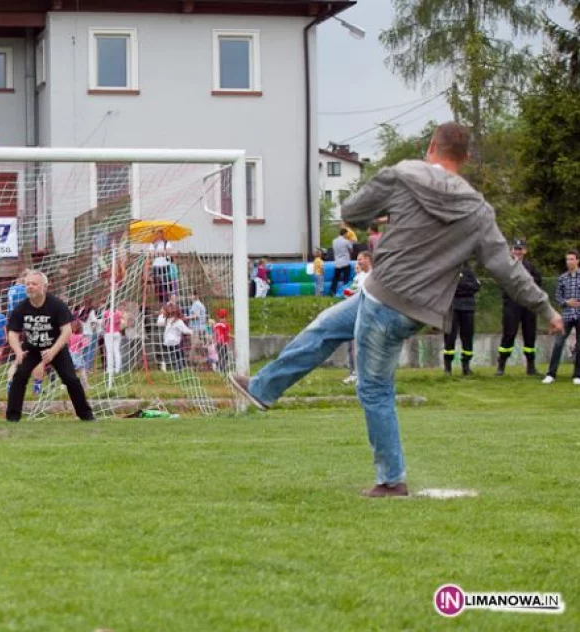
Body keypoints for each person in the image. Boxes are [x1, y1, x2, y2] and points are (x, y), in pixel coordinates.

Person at [228, 122, 562, 497]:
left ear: (430, 146)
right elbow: (506, 269)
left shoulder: (404, 175)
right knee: (324, 329)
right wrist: (546, 308)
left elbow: (353, 212)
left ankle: (391, 479)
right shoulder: (478, 212)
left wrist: (381, 214)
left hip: (385, 299)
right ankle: (264, 387)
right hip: (411, 308)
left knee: (374, 389)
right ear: (465, 158)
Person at [5, 271, 94, 422]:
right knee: (19, 377)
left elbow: (67, 331)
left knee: (71, 379)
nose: (30, 287)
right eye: (27, 284)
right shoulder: (21, 308)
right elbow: (12, 333)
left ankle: (86, 415)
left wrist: (53, 351)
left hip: (56, 348)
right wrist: (18, 351)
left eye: (34, 284)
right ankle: (12, 417)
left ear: (44, 287)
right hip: (31, 349)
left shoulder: (57, 305)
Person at [496, 239, 545, 376]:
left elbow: (538, 283)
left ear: (525, 251)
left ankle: (531, 367)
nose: (517, 252)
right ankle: (501, 366)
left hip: (528, 306)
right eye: (515, 249)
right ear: (511, 251)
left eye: (520, 249)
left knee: (530, 335)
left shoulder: (531, 267)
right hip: (512, 305)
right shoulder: (506, 266)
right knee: (509, 334)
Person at [542, 249, 580, 384]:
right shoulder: (562, 278)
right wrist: (566, 302)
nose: (569, 262)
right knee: (558, 343)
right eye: (567, 259)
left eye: (571, 259)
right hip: (567, 315)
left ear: (577, 260)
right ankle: (551, 374)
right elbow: (558, 296)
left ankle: (577, 375)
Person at [443, 262, 481, 376]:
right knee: (450, 337)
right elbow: (447, 287)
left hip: (468, 308)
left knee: (468, 338)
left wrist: (459, 286)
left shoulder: (469, 272)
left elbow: (476, 286)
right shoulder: (448, 270)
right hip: (452, 308)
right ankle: (448, 368)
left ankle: (466, 367)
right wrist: (464, 287)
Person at [342, 251, 373, 385]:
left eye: (360, 259)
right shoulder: (358, 276)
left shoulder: (374, 275)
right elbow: (351, 290)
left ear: (368, 259)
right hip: (356, 313)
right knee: (352, 344)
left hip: (370, 315)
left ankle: (368, 375)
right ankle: (354, 373)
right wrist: (348, 293)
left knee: (368, 345)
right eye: (357, 260)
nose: (358, 262)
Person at [157, 304, 193, 372]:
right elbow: (185, 331)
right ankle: (178, 370)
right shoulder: (178, 321)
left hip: (166, 342)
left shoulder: (167, 320)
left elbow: (159, 322)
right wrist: (193, 332)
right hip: (174, 342)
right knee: (180, 357)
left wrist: (161, 314)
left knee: (174, 356)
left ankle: (165, 364)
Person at [100, 304, 125, 378]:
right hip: (117, 333)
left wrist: (105, 327)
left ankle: (109, 369)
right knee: (116, 351)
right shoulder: (118, 313)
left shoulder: (105, 313)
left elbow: (102, 324)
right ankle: (117, 369)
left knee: (109, 352)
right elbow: (122, 320)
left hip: (108, 333)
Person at [329, 227, 354, 296]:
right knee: (346, 278)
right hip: (345, 262)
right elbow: (351, 250)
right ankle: (345, 292)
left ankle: (332, 290)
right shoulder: (346, 241)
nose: (347, 235)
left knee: (335, 278)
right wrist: (350, 242)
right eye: (347, 234)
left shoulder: (334, 241)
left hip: (337, 262)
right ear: (345, 233)